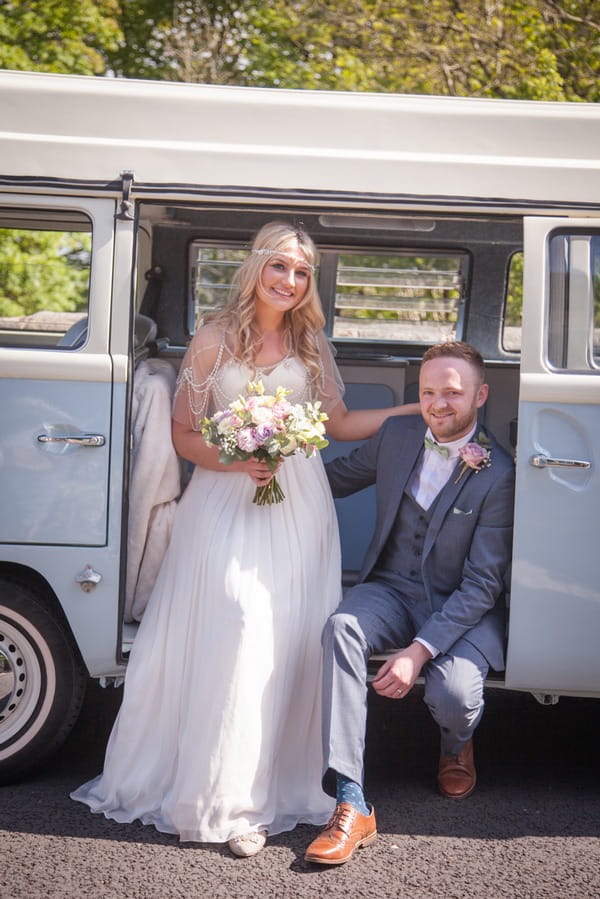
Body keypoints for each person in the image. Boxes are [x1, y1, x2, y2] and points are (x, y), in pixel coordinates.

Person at [70, 221, 419, 857]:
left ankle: (264, 794)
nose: (290, 281)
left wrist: (412, 411)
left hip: (300, 508)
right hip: (224, 499)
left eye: (303, 272)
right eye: (281, 266)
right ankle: (224, 802)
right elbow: (183, 436)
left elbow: (338, 424)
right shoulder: (212, 340)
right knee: (238, 620)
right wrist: (239, 460)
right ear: (257, 268)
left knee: (285, 637)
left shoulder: (311, 343)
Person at [304, 341, 515, 866]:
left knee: (456, 696)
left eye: (452, 392)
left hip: (459, 607)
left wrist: (418, 651)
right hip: (391, 589)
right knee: (341, 628)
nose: (438, 403)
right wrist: (258, 467)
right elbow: (330, 481)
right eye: (428, 392)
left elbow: (483, 585)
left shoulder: (499, 472)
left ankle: (455, 743)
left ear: (480, 395)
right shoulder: (397, 435)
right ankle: (351, 802)